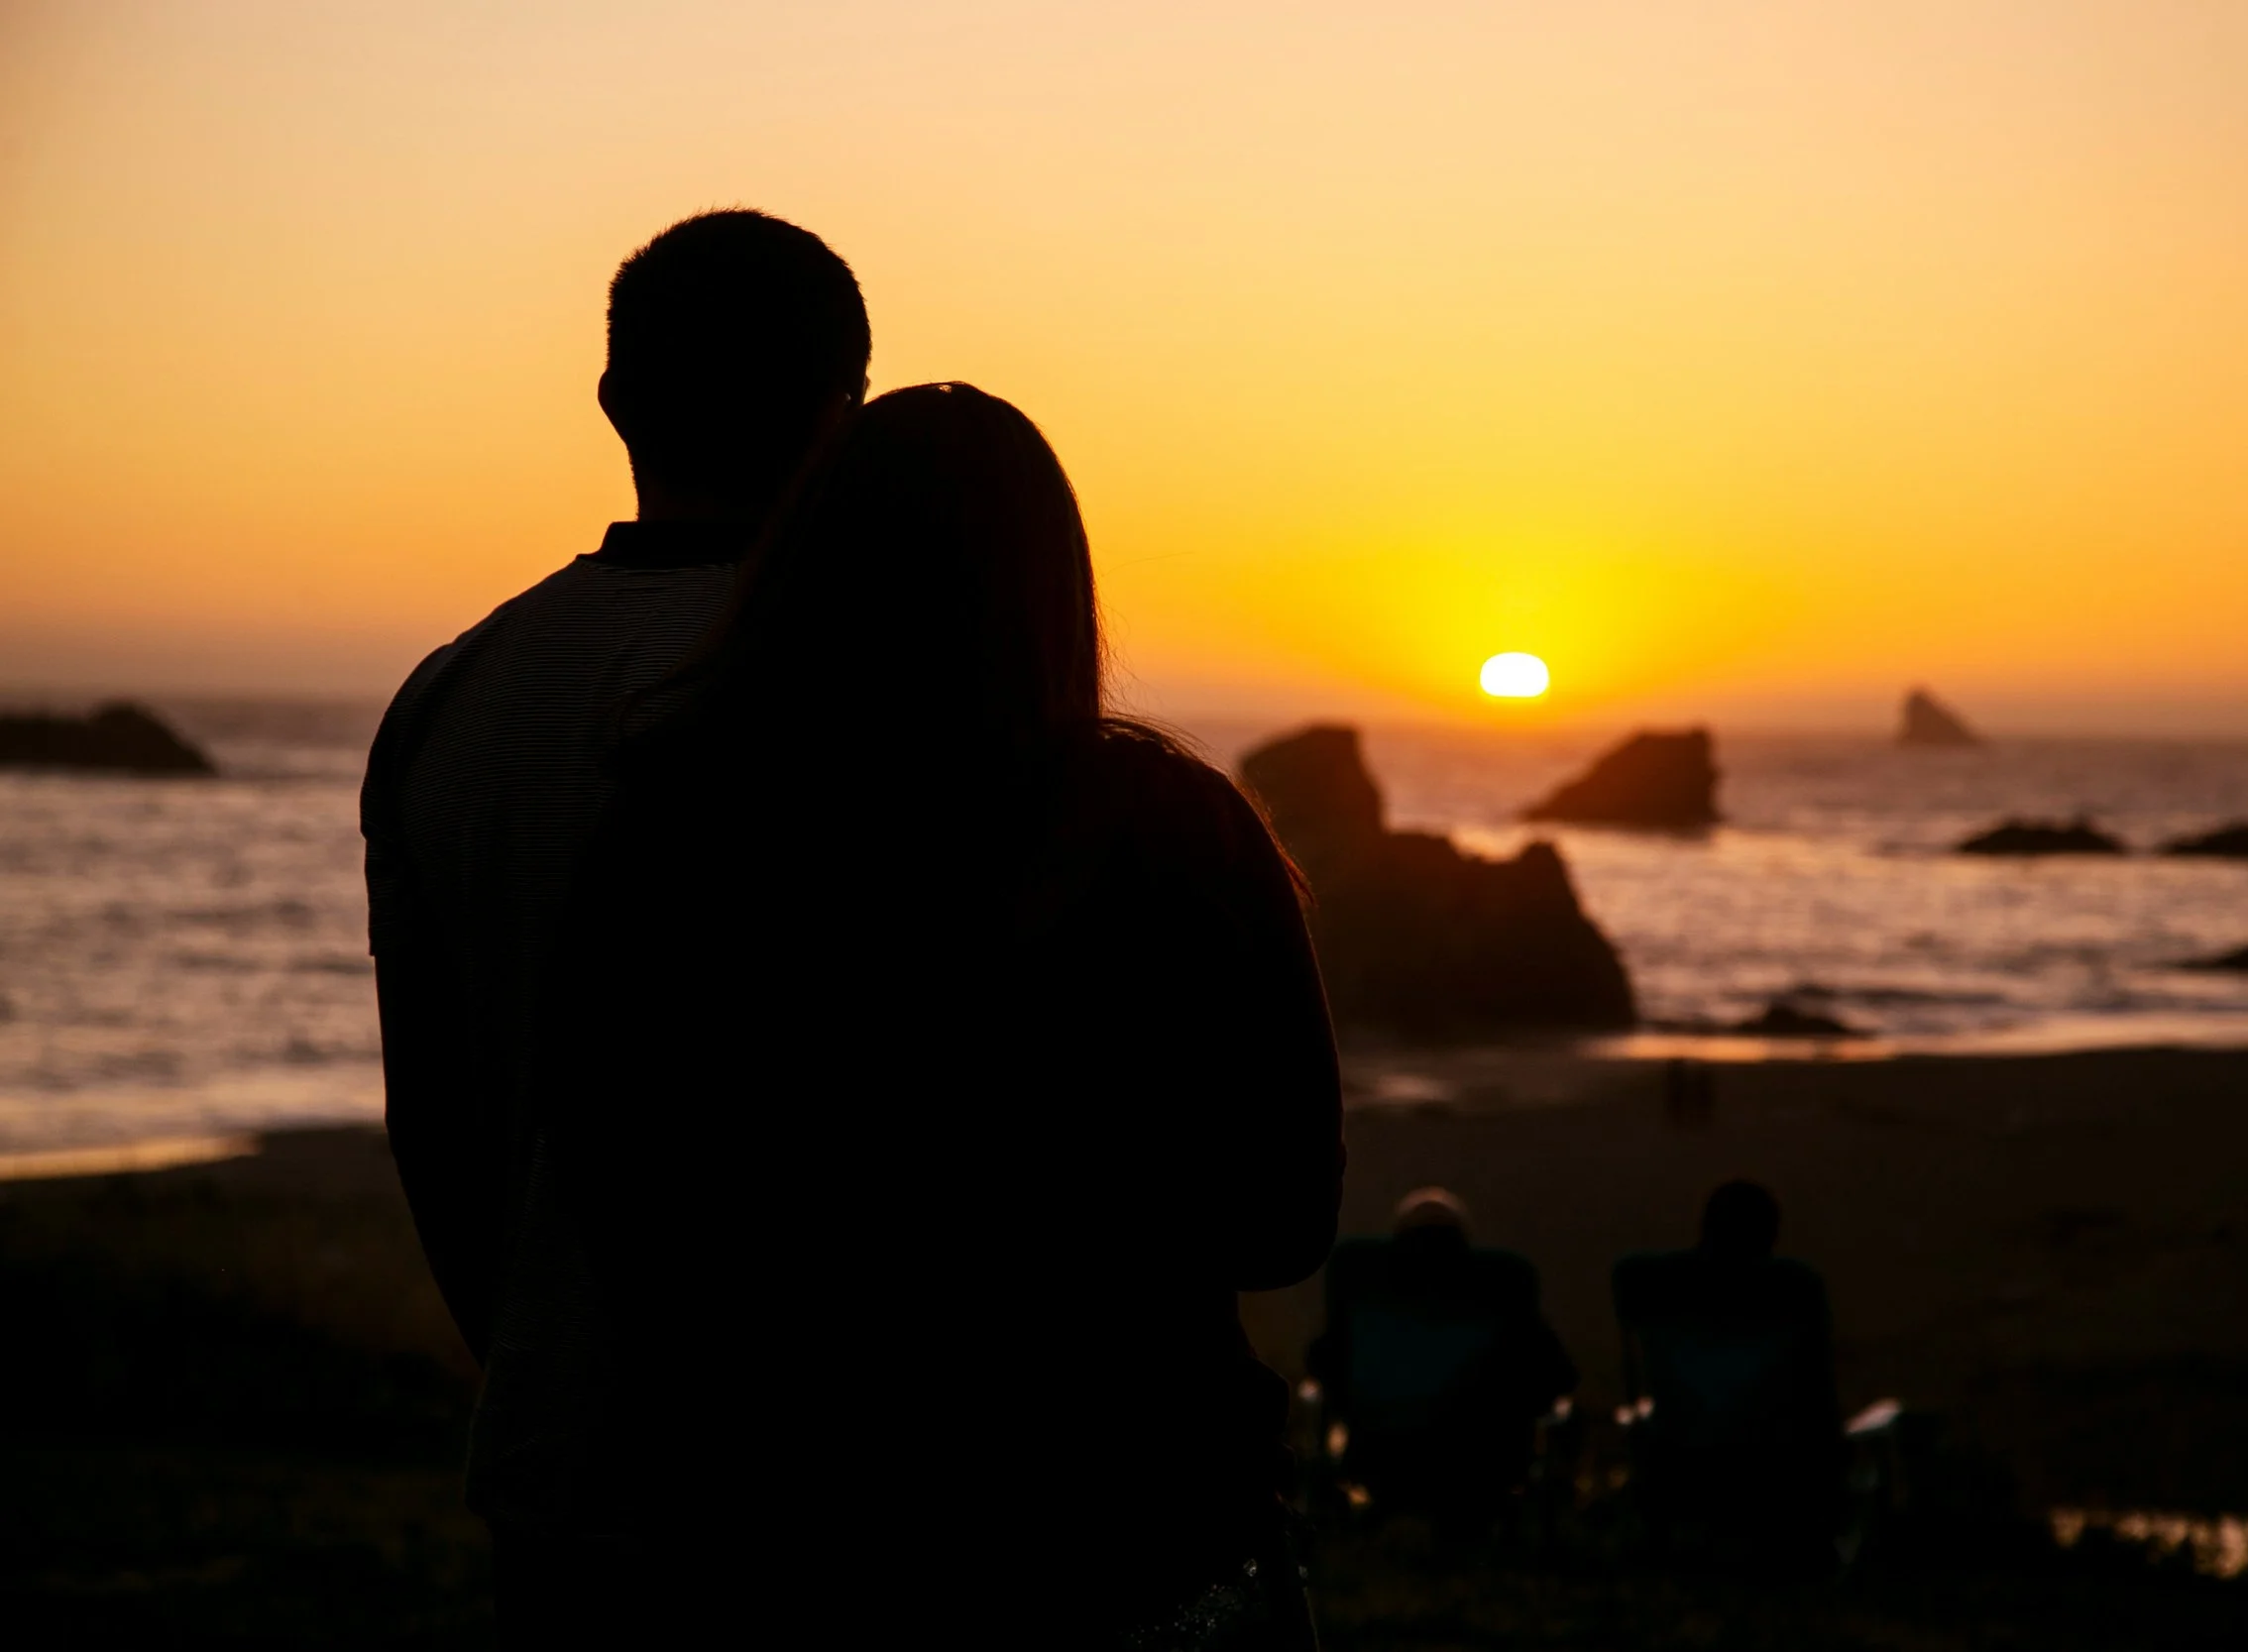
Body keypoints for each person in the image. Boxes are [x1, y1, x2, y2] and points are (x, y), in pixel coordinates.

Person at [535, 384, 1346, 1642]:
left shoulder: (673, 831)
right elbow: (1286, 1216)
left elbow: (616, 1187)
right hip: (1136, 1521)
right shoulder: (1179, 828)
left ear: (805, 559)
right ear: (1054, 586)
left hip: (780, 1527)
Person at [359, 210, 869, 1636]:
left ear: (613, 401)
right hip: (848, 1488)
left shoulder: (445, 701)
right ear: (848, 418)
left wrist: (532, 1353)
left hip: (558, 1477)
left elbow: (435, 1119)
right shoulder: (864, 685)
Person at [1305, 1188, 1577, 1532]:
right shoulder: (1501, 1288)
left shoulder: (1365, 1287)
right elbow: (1559, 1376)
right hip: (1481, 1459)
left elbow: (1321, 1363)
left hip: (1382, 1455)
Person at [1611, 1179, 1844, 1571]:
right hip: (1772, 1470)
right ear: (1770, 1236)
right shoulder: (1793, 1290)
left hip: (1679, 1463)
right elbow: (1817, 1394)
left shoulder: (1657, 1284)